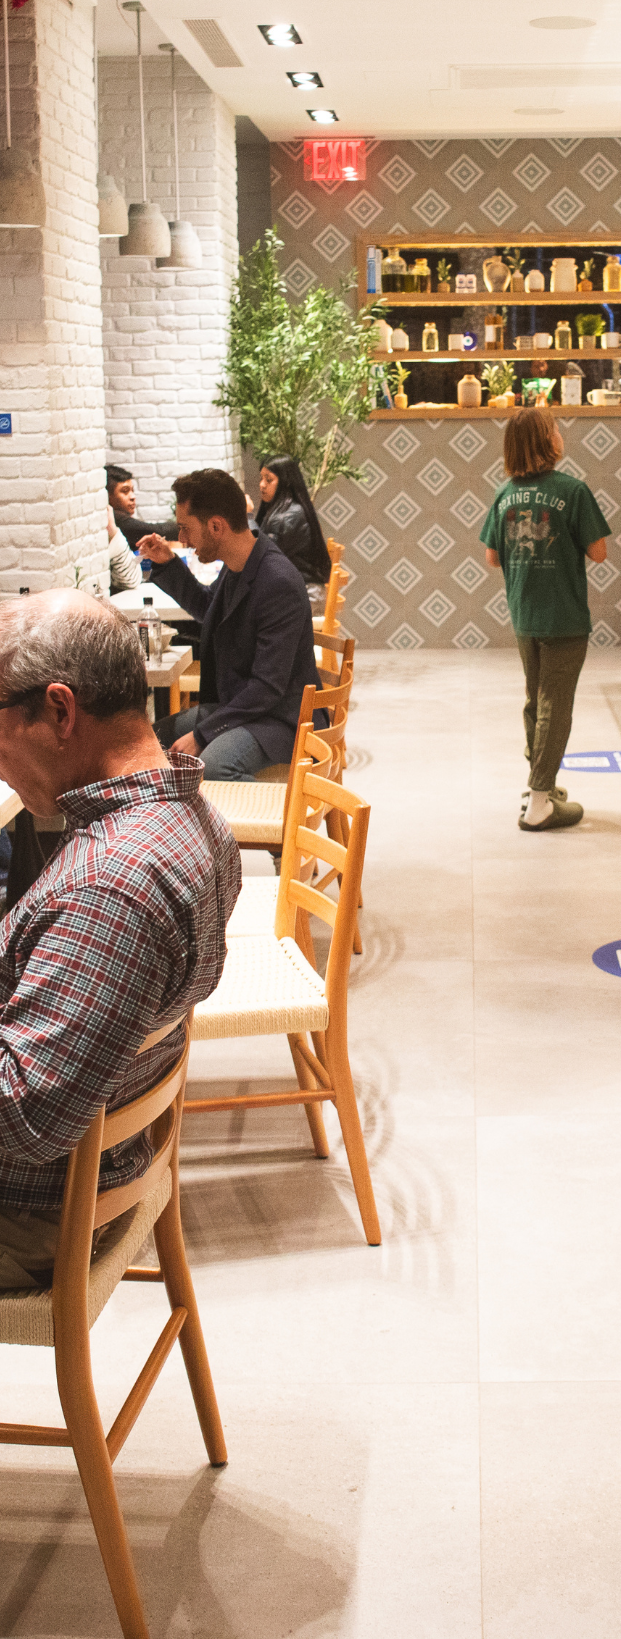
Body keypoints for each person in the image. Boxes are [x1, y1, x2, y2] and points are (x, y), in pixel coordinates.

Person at [0, 591, 239, 1289]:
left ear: (60, 710)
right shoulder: (191, 820)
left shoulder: (108, 885)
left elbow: (26, 1116)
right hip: (97, 1162)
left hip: (30, 1211)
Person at [479, 405, 613, 832]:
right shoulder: (572, 491)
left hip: (524, 614)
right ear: (547, 442)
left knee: (536, 702)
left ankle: (540, 785)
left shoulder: (503, 494)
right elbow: (599, 552)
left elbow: (491, 557)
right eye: (555, 429)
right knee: (556, 707)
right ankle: (540, 803)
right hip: (565, 616)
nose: (560, 435)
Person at [140, 468, 321, 781]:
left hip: (284, 718)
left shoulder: (277, 581)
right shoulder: (240, 564)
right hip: (246, 706)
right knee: (150, 741)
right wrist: (169, 563)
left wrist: (202, 734)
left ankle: (273, 814)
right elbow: (209, 608)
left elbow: (268, 687)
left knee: (215, 765)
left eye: (185, 528)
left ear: (215, 526)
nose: (182, 540)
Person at [254, 454, 334, 591]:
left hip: (305, 593)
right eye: (261, 478)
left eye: (269, 480)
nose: (262, 485)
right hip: (296, 588)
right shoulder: (282, 510)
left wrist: (248, 517)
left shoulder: (287, 516)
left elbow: (263, 560)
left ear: (285, 482)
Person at [106, 463, 175, 550]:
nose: (132, 497)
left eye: (132, 490)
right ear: (107, 496)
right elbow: (158, 530)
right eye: (125, 491)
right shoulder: (117, 520)